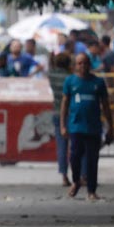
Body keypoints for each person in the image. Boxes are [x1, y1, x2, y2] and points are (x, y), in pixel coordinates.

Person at [60, 52, 114, 200]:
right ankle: (76, 181)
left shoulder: (98, 83)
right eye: (79, 63)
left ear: (90, 64)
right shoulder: (70, 82)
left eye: (85, 63)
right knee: (74, 157)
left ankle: (91, 190)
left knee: (92, 160)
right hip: (76, 127)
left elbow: (106, 106)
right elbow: (64, 104)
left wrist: (111, 127)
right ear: (75, 66)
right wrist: (63, 126)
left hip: (93, 128)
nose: (82, 66)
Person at [48, 52, 73, 187]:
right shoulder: (70, 78)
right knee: (75, 146)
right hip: (71, 113)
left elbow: (50, 67)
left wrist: (51, 59)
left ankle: (64, 175)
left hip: (57, 113)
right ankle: (81, 174)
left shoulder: (52, 76)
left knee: (62, 146)